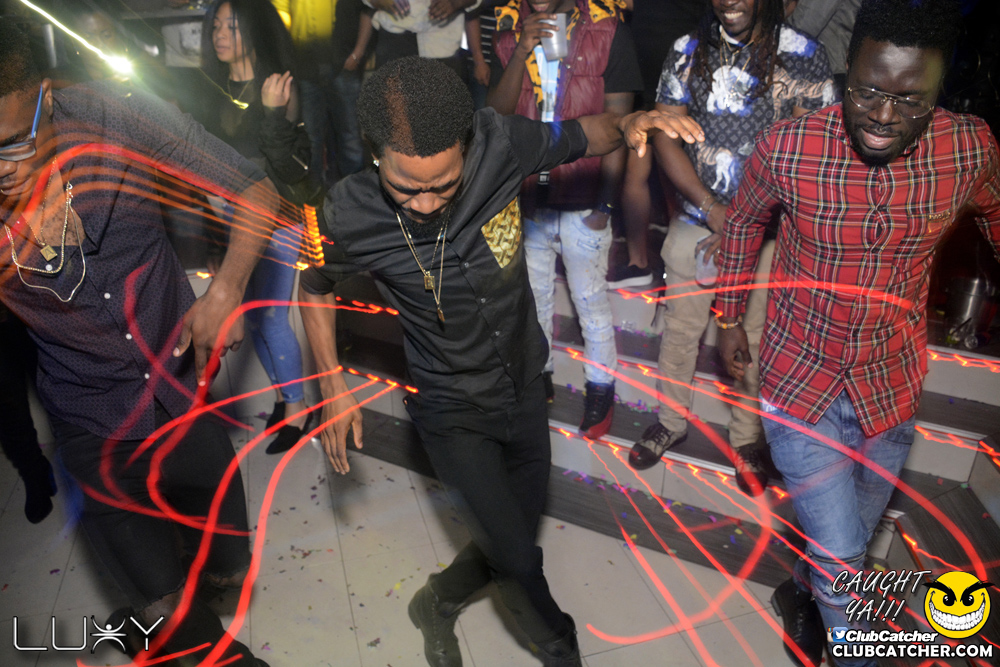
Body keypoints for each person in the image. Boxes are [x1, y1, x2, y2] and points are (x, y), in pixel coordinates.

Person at [297, 56, 702, 667]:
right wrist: (331, 382)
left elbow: (584, 134)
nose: (426, 203)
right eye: (407, 187)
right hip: (450, 410)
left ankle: (436, 602)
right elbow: (313, 285)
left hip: (524, 384)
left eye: (444, 185)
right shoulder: (344, 215)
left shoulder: (498, 142)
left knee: (509, 536)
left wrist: (629, 122)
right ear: (375, 155)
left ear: (466, 147)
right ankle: (561, 648)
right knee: (517, 559)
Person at [714, 0, 998, 665]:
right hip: (799, 381)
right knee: (844, 559)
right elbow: (744, 221)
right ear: (848, 71)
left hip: (890, 387)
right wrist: (727, 315)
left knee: (851, 539)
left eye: (909, 99)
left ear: (938, 93)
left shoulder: (969, 148)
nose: (882, 115)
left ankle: (800, 593)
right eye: (868, 91)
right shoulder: (789, 146)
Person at [0, 19, 276, 666]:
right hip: (91, 421)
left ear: (44, 97)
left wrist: (226, 290)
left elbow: (254, 188)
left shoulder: (115, 116)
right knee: (177, 619)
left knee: (229, 563)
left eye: (11, 143)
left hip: (180, 393)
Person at [626, 0, 835, 499]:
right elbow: (665, 137)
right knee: (680, 331)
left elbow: (809, 156)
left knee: (754, 341)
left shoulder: (804, 55)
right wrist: (711, 207)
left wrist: (744, 222)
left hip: (768, 232)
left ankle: (745, 440)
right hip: (698, 220)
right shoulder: (687, 50)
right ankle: (670, 422)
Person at [488, 0, 643, 438]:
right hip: (528, 201)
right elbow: (494, 118)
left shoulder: (608, 31)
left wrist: (605, 207)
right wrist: (521, 49)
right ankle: (540, 379)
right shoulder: (506, 31)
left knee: (590, 303)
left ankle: (600, 389)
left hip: (583, 199)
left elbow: (619, 127)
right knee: (534, 302)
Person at [202, 0, 314, 453]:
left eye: (231, 26)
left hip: (277, 216)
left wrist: (271, 111)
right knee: (253, 316)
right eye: (216, 26)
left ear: (253, 29)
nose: (220, 34)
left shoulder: (277, 84)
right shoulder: (212, 86)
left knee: (270, 316)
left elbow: (286, 161)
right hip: (231, 218)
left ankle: (298, 408)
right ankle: (285, 400)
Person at [272, 0, 372, 184]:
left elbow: (367, 10)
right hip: (306, 67)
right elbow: (280, 15)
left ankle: (354, 192)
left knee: (349, 136)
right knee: (312, 137)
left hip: (343, 65)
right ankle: (316, 192)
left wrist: (357, 53)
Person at [0, 303, 56, 524]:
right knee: (7, 409)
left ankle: (82, 466)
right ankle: (34, 476)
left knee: (56, 389)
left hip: (32, 301)